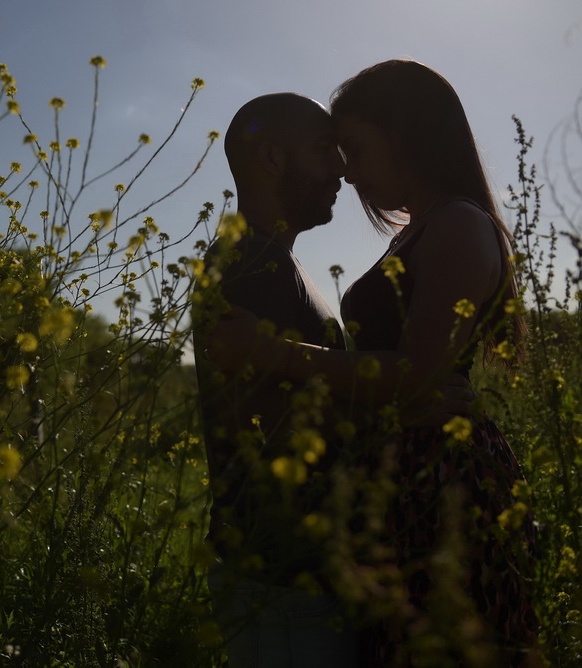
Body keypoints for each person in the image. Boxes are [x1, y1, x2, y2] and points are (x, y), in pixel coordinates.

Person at [205, 60, 539, 665]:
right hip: (380, 507)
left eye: (353, 148)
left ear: (404, 134)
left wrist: (276, 354)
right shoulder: (269, 259)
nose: (346, 170)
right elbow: (266, 412)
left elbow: (417, 375)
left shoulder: (457, 223)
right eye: (333, 149)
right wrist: (390, 413)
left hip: (439, 491)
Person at [192, 93, 357, 667]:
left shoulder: (277, 261)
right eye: (323, 150)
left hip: (300, 578)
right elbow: (270, 424)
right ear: (271, 158)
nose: (342, 167)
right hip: (279, 582)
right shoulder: (249, 265)